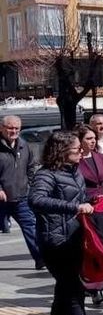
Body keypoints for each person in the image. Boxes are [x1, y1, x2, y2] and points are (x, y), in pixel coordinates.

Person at [29, 131, 103, 315]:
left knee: (63, 293)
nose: (82, 152)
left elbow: (79, 199)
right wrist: (74, 207)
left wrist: (92, 203)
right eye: (77, 149)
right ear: (62, 151)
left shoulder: (75, 172)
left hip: (74, 240)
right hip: (55, 243)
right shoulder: (46, 174)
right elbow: (35, 200)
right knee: (74, 293)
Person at [0, 115, 44, 270]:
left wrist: (30, 185)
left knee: (31, 227)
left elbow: (31, 167)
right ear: (1, 128)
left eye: (17, 128)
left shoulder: (24, 145)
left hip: (21, 197)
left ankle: (40, 259)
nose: (14, 131)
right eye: (10, 128)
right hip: (1, 198)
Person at [76, 124, 103, 307]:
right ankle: (93, 287)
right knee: (88, 247)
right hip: (84, 207)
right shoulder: (75, 160)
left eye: (94, 138)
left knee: (102, 246)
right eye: (88, 138)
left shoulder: (102, 158)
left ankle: (97, 282)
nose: (93, 141)